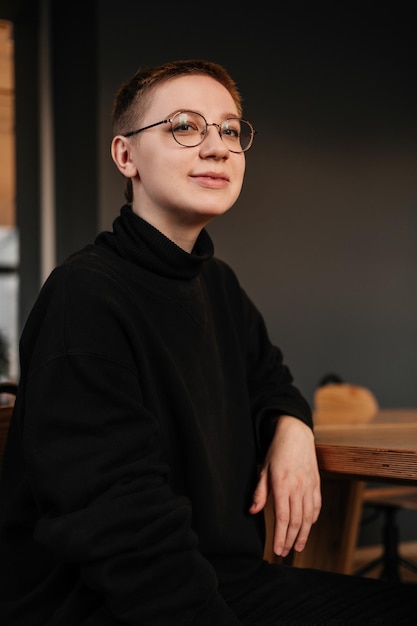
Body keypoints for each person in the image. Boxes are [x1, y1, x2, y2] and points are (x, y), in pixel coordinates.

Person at [0, 59, 415, 626]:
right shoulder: (86, 295)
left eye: (228, 129)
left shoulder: (215, 282)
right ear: (126, 157)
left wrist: (291, 425)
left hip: (224, 578)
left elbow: (270, 377)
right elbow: (117, 522)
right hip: (111, 603)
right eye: (184, 126)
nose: (217, 146)